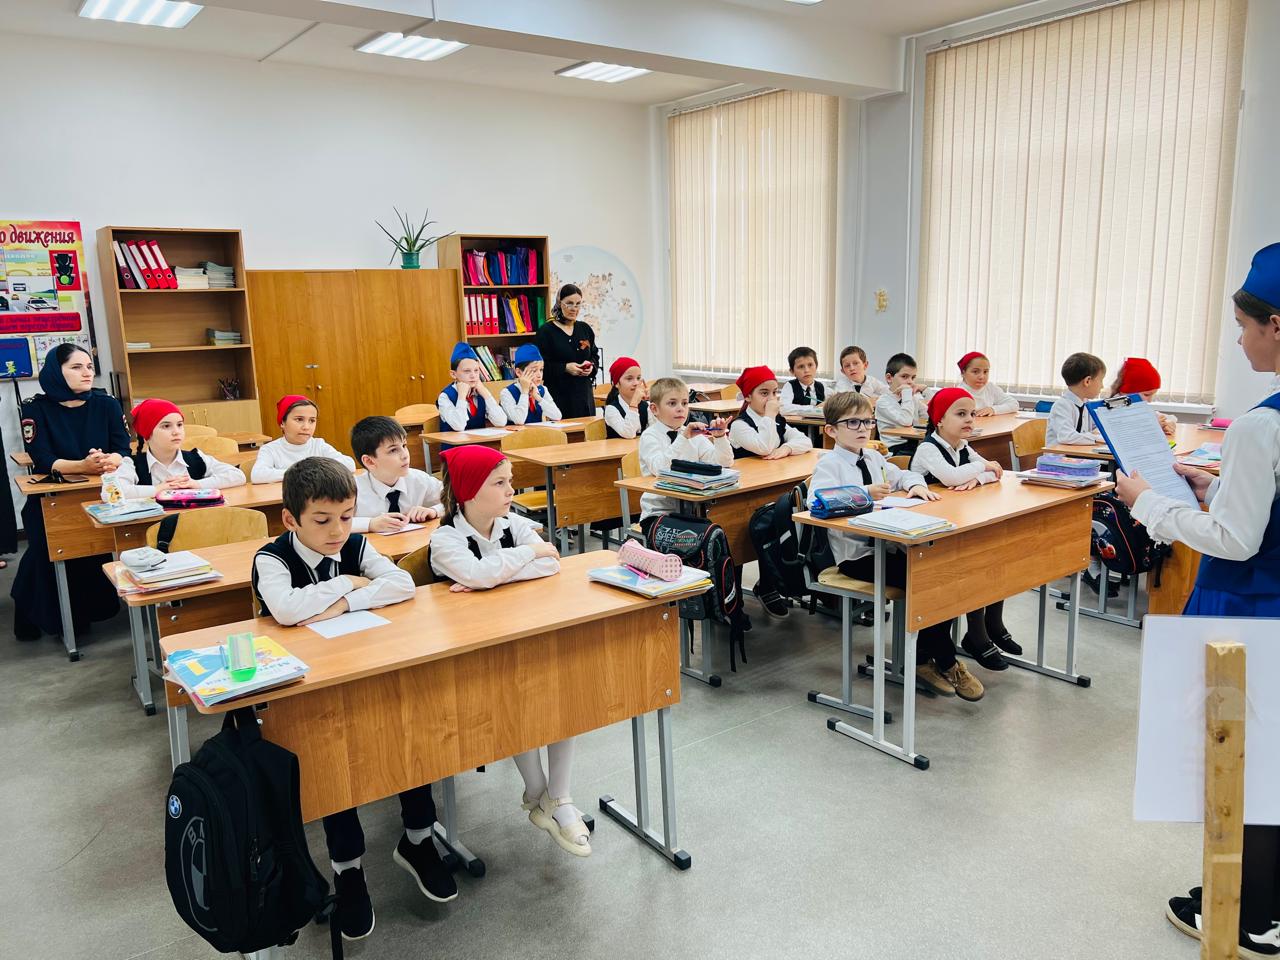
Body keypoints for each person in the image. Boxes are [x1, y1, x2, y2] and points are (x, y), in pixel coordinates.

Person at [1115, 243, 1280, 954]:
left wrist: (1148, 502)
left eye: (1243, 326)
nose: (1239, 342)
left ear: (1276, 325)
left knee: (1244, 765)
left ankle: (1247, 916)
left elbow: (1235, 542)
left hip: (1250, 613)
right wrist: (1218, 487)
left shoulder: (1260, 424)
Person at [250, 457, 455, 941]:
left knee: (409, 732)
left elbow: (401, 584)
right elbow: (287, 610)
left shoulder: (358, 544)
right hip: (310, 690)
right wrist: (347, 582)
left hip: (369, 666)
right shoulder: (272, 558)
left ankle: (418, 838)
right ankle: (348, 868)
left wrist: (341, 603)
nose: (338, 531)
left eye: (346, 517)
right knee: (334, 763)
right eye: (322, 520)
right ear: (290, 519)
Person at [427, 446, 589, 857]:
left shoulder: (512, 523)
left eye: (509, 481)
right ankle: (539, 791)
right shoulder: (445, 538)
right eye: (499, 483)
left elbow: (552, 563)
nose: (511, 490)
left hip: (524, 630)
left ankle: (557, 796)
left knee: (562, 696)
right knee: (515, 704)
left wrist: (492, 576)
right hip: (474, 652)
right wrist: (523, 557)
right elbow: (481, 572)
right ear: (468, 491)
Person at [808, 391, 984, 700]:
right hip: (857, 557)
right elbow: (817, 502)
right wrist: (864, 492)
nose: (863, 428)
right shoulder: (829, 464)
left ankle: (924, 658)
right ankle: (945, 661)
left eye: (867, 421)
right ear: (831, 430)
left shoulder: (873, 457)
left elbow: (904, 474)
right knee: (929, 580)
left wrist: (915, 485)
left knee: (945, 573)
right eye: (852, 423)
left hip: (889, 547)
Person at [12, 345, 130, 640]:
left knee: (93, 544)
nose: (87, 373)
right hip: (54, 493)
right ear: (56, 371)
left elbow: (123, 448)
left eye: (89, 366)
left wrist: (108, 461)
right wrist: (82, 466)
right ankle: (51, 616)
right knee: (47, 545)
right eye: (76, 367)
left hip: (102, 490)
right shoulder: (35, 408)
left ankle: (87, 611)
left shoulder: (106, 404)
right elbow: (42, 458)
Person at [911, 387, 1020, 664]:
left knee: (994, 556)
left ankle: (992, 624)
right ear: (939, 420)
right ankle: (976, 635)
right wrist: (979, 470)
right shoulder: (928, 448)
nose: (969, 419)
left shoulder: (963, 446)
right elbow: (950, 477)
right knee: (974, 563)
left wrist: (978, 477)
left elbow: (996, 470)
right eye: (961, 414)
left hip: (954, 523)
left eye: (971, 413)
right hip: (925, 533)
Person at [637, 377, 731, 537]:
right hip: (658, 515)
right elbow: (659, 470)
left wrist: (720, 437)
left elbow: (723, 463)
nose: (680, 409)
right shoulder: (650, 436)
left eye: (685, 403)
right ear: (654, 409)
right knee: (703, 536)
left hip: (692, 511)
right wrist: (683, 438)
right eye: (672, 403)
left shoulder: (692, 433)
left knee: (722, 528)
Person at [111, 398, 245, 498]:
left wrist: (197, 484)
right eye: (166, 426)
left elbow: (237, 476)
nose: (176, 432)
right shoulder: (132, 464)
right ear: (147, 434)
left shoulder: (196, 457)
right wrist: (158, 489)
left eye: (180, 425)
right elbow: (111, 492)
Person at [348, 415, 443, 534]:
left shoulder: (418, 479)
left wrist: (434, 511)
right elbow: (333, 523)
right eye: (393, 450)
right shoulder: (352, 490)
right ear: (369, 461)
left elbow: (457, 500)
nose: (405, 455)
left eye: (404, 445)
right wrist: (370, 524)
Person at [251, 395, 355, 483]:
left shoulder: (318, 445)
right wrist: (303, 473)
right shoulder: (270, 449)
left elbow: (349, 464)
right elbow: (257, 475)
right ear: (282, 422)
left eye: (312, 421)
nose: (306, 427)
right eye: (299, 419)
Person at [535, 284, 598, 419]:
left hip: (584, 398)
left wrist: (591, 367)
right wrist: (564, 368)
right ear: (559, 303)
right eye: (569, 303)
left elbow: (594, 355)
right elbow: (540, 366)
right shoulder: (546, 332)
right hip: (559, 398)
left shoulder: (585, 329)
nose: (574, 308)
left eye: (578, 304)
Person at [728, 365, 813, 460]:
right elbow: (765, 448)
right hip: (745, 470)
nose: (771, 399)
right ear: (748, 396)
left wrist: (786, 448)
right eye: (764, 393)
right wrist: (769, 415)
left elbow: (806, 441)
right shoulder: (739, 425)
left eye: (774, 392)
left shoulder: (777, 420)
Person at [437, 343, 506, 442]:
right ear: (453, 374)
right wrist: (461, 397)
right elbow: (458, 426)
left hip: (479, 445)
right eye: (467, 371)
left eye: (476, 370)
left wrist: (486, 393)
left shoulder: (480, 393)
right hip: (456, 448)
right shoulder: (445, 396)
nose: (473, 375)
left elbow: (501, 422)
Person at [1045, 353, 1107, 447]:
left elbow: (1098, 427)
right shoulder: (1062, 406)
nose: (1102, 386)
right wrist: (1097, 439)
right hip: (1061, 456)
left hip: (1078, 454)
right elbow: (1066, 437)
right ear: (1087, 381)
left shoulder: (1085, 404)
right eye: (1101, 380)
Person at [875, 352, 928, 454]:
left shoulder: (912, 399)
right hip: (893, 450)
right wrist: (907, 393)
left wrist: (925, 389)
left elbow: (932, 414)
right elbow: (906, 421)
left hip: (913, 446)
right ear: (889, 378)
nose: (910, 382)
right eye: (904, 376)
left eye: (913, 378)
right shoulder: (883, 402)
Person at [1109, 357, 1177, 437]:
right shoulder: (1113, 404)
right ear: (1127, 391)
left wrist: (1168, 423)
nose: (1150, 400)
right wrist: (1149, 426)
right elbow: (1117, 429)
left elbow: (1168, 417)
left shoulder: (1137, 405)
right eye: (1147, 395)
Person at [498, 343, 561, 425]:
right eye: (534, 370)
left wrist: (538, 397)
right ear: (519, 372)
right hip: (516, 433)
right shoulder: (507, 393)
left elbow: (557, 416)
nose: (539, 375)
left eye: (541, 370)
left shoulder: (542, 390)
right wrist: (524, 392)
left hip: (538, 432)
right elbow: (519, 420)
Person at [956, 351, 1019, 416]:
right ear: (963, 373)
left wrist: (993, 409)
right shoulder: (958, 393)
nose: (982, 377)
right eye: (975, 371)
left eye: (985, 372)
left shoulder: (990, 387)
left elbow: (1014, 404)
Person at [602, 356, 648, 439]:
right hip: (618, 447)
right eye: (629, 379)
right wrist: (634, 403)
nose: (636, 383)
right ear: (617, 383)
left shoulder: (646, 405)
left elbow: (656, 432)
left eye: (638, 378)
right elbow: (629, 434)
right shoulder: (611, 409)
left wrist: (656, 402)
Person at [780, 346, 825, 414]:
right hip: (795, 421)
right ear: (792, 371)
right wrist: (813, 408)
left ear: (816, 367)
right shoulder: (789, 386)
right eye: (801, 366)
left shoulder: (822, 386)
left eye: (810, 365)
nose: (806, 370)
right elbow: (783, 408)